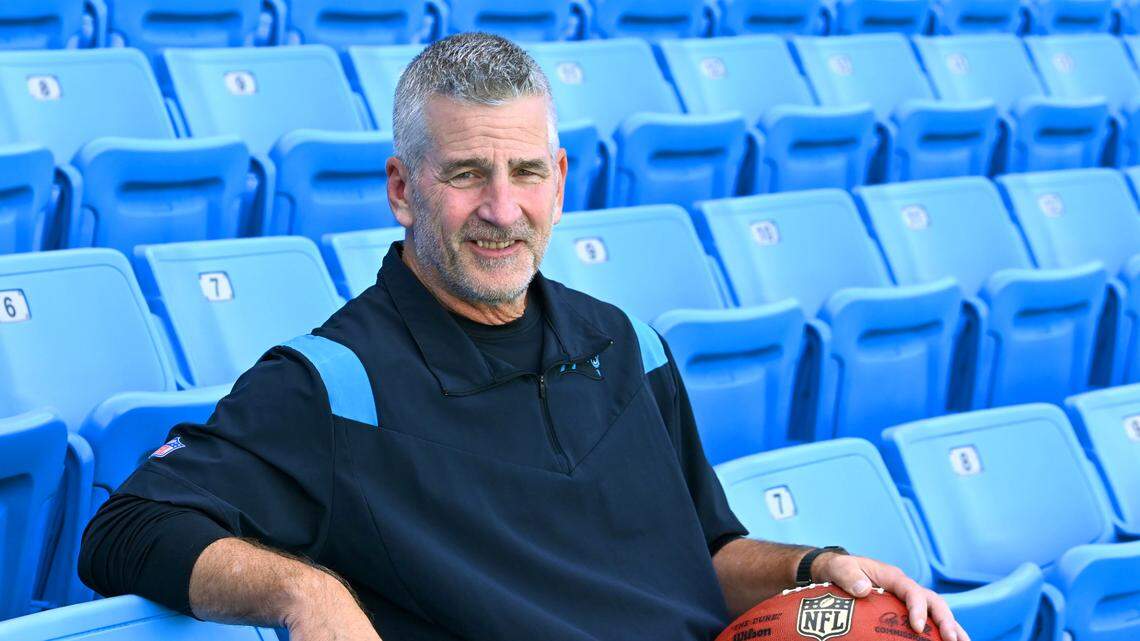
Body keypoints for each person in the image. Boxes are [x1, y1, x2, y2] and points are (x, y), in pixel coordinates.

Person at [79, 32, 968, 641]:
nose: (501, 211)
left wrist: (821, 567)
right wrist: (303, 589)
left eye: (526, 172)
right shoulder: (333, 385)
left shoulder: (625, 343)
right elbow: (123, 528)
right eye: (466, 174)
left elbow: (701, 554)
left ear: (559, 178)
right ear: (401, 188)